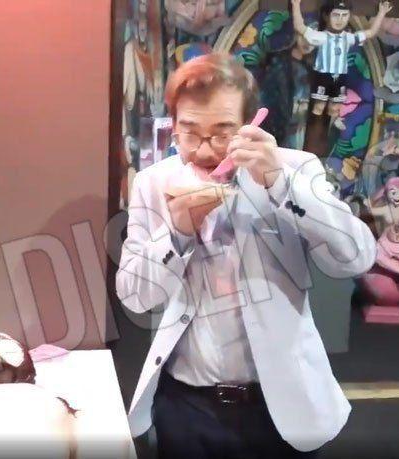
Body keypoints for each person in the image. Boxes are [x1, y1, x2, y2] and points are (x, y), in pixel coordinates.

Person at [116, 53, 376, 458]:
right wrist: (178, 232)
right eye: (189, 133)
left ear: (249, 126)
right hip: (185, 406)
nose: (204, 151)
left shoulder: (295, 170)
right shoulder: (154, 183)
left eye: (222, 134)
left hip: (282, 407)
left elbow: (355, 257)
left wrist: (280, 184)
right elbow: (134, 295)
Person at [291, 0, 392, 117]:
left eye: (344, 15)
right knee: (318, 107)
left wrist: (381, 13)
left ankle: (331, 126)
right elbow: (299, 27)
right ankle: (313, 123)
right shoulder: (321, 37)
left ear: (349, 16)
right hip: (323, 76)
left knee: (335, 108)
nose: (340, 19)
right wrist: (295, 5)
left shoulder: (348, 38)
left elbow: (371, 32)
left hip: (340, 77)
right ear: (326, 16)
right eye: (336, 15)